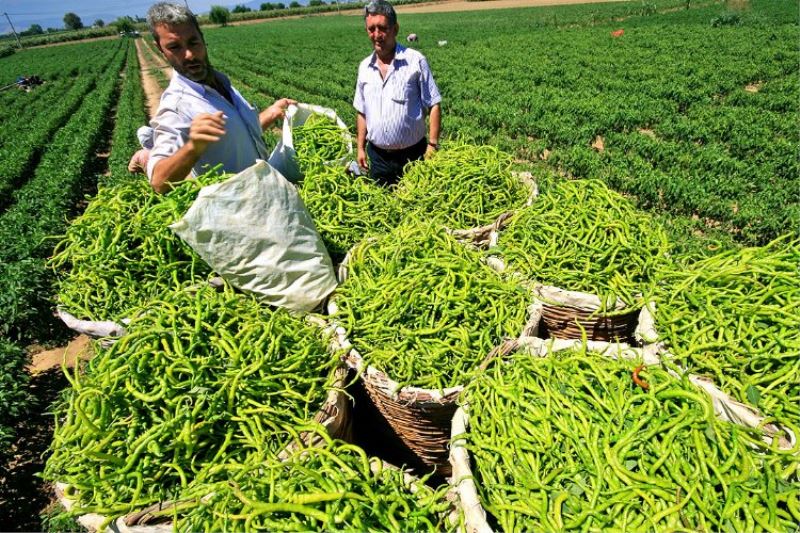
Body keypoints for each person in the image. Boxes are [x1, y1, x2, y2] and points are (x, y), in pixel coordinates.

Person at [139, 2, 295, 193]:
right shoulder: (176, 106)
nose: (189, 54)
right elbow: (159, 182)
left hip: (267, 193)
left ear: (202, 38)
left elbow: (234, 136)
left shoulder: (221, 82)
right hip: (237, 211)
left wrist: (269, 114)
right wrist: (192, 147)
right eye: (174, 47)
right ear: (160, 50)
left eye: (193, 42)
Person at [353, 0, 442, 186]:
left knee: (417, 205)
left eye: (382, 28)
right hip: (378, 158)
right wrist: (360, 147)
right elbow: (361, 111)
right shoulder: (364, 68)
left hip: (413, 156)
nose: (376, 35)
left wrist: (432, 144)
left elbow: (434, 103)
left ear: (395, 29)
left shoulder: (415, 61)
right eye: (371, 29)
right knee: (382, 206)